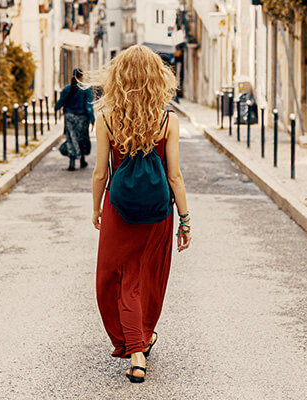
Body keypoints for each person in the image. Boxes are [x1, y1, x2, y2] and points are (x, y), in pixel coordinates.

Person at [89, 45, 192, 384]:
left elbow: (101, 173)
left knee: (116, 280)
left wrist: (96, 208)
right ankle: (142, 338)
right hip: (158, 213)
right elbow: (174, 176)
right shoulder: (168, 121)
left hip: (119, 212)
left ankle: (135, 350)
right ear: (156, 79)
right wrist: (185, 220)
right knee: (147, 278)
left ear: (117, 78)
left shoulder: (105, 118)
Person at [55, 68, 95, 170]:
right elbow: (89, 107)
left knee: (71, 138)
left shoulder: (67, 89)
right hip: (82, 118)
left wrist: (56, 108)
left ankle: (72, 162)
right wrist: (92, 120)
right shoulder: (86, 89)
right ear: (82, 77)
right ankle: (82, 159)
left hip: (69, 117)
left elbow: (60, 102)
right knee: (83, 138)